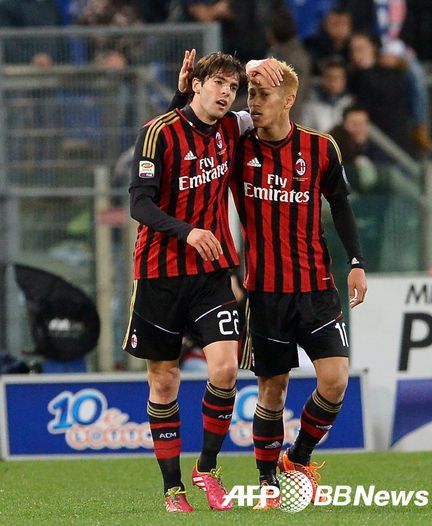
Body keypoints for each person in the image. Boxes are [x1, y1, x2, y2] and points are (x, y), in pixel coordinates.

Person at [123, 50, 279, 513]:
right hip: (159, 273)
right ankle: (173, 489)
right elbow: (139, 204)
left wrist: (260, 66)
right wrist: (187, 231)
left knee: (225, 370)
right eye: (218, 84)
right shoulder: (158, 132)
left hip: (211, 273)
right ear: (196, 84)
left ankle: (206, 468)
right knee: (164, 381)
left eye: (233, 87)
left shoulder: (232, 127)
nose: (227, 94)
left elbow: (275, 105)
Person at [237, 59, 367, 508]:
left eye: (263, 95)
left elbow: (341, 205)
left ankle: (299, 457)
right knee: (272, 389)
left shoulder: (321, 147)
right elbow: (194, 117)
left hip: (316, 288)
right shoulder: (237, 146)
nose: (254, 104)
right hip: (265, 293)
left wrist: (356, 261)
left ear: (289, 100)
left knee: (335, 380)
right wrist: (251, 66)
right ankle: (267, 481)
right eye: (250, 95)